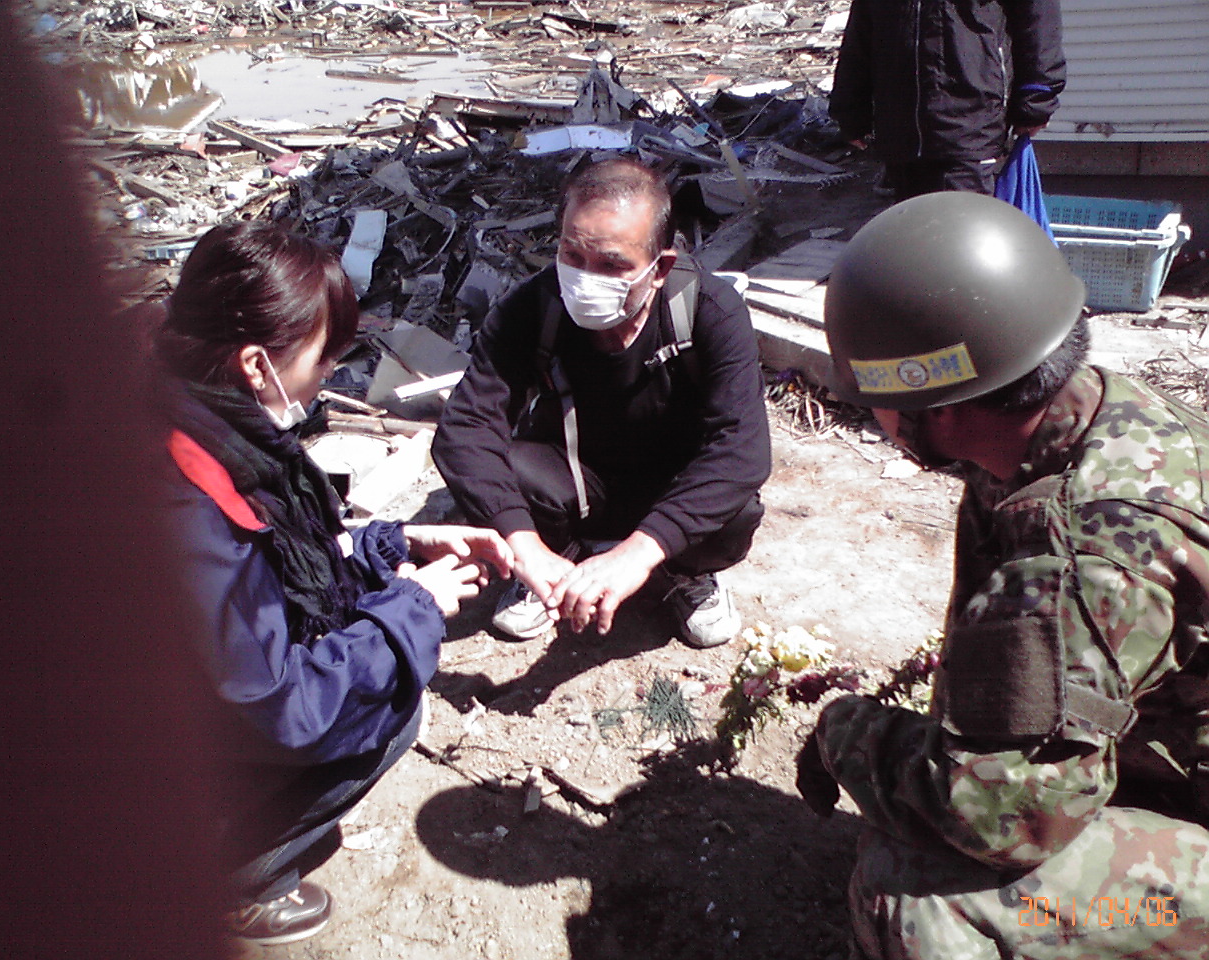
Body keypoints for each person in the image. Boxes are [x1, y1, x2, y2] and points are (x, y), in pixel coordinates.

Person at [796, 192, 1209, 957]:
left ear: (939, 409)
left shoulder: (1085, 552)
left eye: (883, 400)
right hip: (1174, 750)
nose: (877, 418)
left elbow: (1009, 818)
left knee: (911, 894)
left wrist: (844, 735)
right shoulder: (1083, 420)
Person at [156, 221, 513, 946]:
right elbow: (284, 704)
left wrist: (399, 542)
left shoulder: (199, 420)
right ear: (257, 364)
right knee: (390, 704)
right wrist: (415, 610)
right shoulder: (187, 501)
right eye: (323, 359)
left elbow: (287, 556)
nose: (327, 378)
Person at [431, 157, 771, 649]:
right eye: (572, 255)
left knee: (734, 505)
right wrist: (524, 544)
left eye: (612, 264)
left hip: (671, 485)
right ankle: (555, 571)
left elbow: (742, 448)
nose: (586, 278)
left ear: (660, 269)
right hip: (573, 479)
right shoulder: (533, 308)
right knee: (507, 467)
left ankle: (683, 573)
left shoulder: (709, 313)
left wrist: (639, 551)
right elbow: (466, 427)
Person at [829, 0, 1066, 202]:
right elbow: (861, 30)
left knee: (963, 243)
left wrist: (1037, 96)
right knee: (912, 243)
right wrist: (851, 109)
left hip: (969, 125)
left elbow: (1038, 20)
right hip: (900, 132)